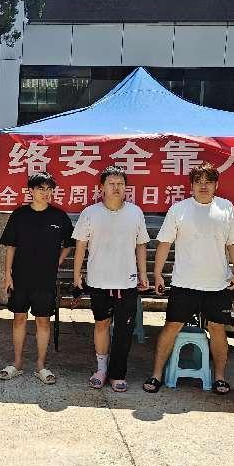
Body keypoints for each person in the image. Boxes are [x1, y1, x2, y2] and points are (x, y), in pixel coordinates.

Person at [143, 162, 234, 395]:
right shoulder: (178, 209)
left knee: (217, 329)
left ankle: (219, 377)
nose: (203, 186)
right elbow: (164, 243)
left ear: (216, 185)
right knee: (172, 327)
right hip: (184, 283)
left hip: (217, 284)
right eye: (198, 182)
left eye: (208, 182)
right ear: (191, 186)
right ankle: (156, 374)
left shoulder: (226, 208)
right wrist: (157, 274)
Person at [72, 166, 150, 392]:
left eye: (120, 184)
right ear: (102, 188)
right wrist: (77, 274)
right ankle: (101, 369)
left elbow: (141, 245)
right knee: (101, 324)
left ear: (126, 188)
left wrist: (143, 274)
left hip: (127, 282)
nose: (116, 188)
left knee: (124, 331)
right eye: (111, 183)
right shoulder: (90, 213)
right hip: (99, 281)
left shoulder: (135, 212)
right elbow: (81, 246)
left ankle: (117, 374)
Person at [0, 171, 73, 385]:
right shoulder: (19, 215)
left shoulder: (59, 217)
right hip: (20, 277)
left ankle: (41, 365)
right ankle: (17, 363)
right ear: (30, 191)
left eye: (49, 189)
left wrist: (57, 262)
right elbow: (10, 247)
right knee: (19, 318)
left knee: (43, 321)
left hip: (45, 279)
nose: (46, 193)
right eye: (41, 189)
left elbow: (69, 244)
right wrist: (7, 275)